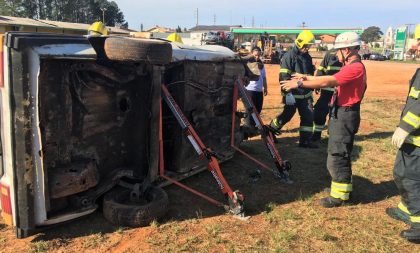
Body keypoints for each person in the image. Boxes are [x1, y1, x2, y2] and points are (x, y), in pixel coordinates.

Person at [280, 32, 367, 208]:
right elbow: (323, 78)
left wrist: (299, 84)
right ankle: (342, 189)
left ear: (347, 50)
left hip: (345, 114)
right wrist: (306, 78)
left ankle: (339, 197)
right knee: (338, 152)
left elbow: (328, 81)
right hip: (342, 112)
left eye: (338, 51)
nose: (335, 54)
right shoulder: (351, 66)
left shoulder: (354, 68)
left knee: (337, 154)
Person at [386, 26, 420, 242]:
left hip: (416, 137)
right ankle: (407, 209)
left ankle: (418, 221)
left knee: (410, 177)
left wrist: (406, 126)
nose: (416, 45)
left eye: (419, 41)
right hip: (413, 137)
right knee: (401, 172)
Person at [268, 30, 317, 148]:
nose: (308, 48)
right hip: (293, 95)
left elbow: (310, 74)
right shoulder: (289, 56)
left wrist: (314, 82)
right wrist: (287, 94)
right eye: (307, 45)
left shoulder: (307, 56)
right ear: (300, 43)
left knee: (308, 117)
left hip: (306, 94)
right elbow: (283, 76)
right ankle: (270, 131)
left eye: (309, 46)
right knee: (287, 115)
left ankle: (305, 141)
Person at [312, 50, 343, 141]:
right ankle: (317, 135)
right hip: (326, 93)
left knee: (335, 116)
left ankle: (333, 137)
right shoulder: (329, 54)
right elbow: (322, 69)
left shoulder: (348, 57)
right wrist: (318, 84)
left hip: (340, 94)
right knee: (318, 113)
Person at [244, 47, 268, 129]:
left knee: (258, 109)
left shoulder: (261, 65)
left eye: (258, 55)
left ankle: (254, 125)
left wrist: (265, 87)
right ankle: (248, 126)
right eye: (255, 55)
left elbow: (264, 77)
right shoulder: (247, 64)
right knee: (250, 109)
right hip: (250, 90)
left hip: (259, 90)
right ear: (251, 54)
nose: (257, 57)